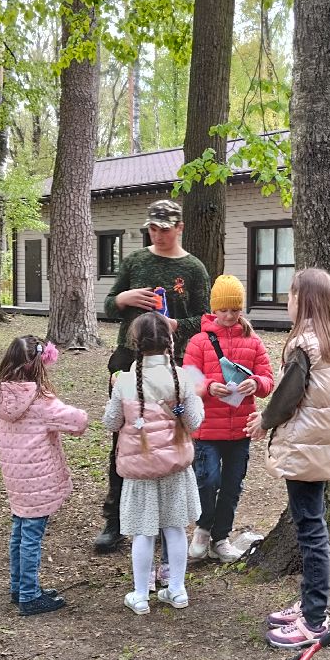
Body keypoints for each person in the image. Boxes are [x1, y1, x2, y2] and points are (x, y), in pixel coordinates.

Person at [94, 199, 210, 556]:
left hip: (172, 363)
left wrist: (178, 325)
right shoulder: (135, 261)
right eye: (153, 228)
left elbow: (205, 318)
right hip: (129, 360)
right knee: (126, 439)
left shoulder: (193, 269)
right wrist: (126, 297)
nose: (158, 234)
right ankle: (114, 521)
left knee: (170, 439)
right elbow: (109, 305)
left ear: (179, 227)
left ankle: (165, 521)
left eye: (165, 228)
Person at [246, 268, 330, 649]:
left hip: (308, 445)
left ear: (303, 300)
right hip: (323, 444)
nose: (287, 301)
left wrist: (263, 421)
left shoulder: (303, 344)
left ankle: (314, 619)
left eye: (290, 294)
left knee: (310, 529)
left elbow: (288, 397)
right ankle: (310, 604)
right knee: (311, 524)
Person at [103, 312, 204, 614]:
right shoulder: (181, 378)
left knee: (143, 532)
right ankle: (177, 590)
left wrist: (116, 395)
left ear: (135, 343)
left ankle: (140, 595)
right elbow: (195, 421)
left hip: (140, 469)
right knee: (174, 528)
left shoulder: (124, 382)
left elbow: (111, 422)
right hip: (175, 466)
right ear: (170, 342)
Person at [0, 335, 89, 616]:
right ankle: (30, 596)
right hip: (38, 480)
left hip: (16, 479)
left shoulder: (0, 393)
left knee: (19, 533)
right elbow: (76, 421)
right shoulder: (38, 399)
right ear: (37, 365)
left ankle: (19, 586)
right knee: (31, 536)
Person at [183, 275, 274, 563]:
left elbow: (269, 379)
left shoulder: (253, 341)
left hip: (241, 428)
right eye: (223, 310)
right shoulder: (199, 341)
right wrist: (209, 386)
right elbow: (188, 379)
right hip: (208, 428)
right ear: (214, 309)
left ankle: (220, 538)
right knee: (208, 480)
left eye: (235, 310)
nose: (229, 315)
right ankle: (203, 528)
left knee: (233, 485)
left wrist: (256, 384)